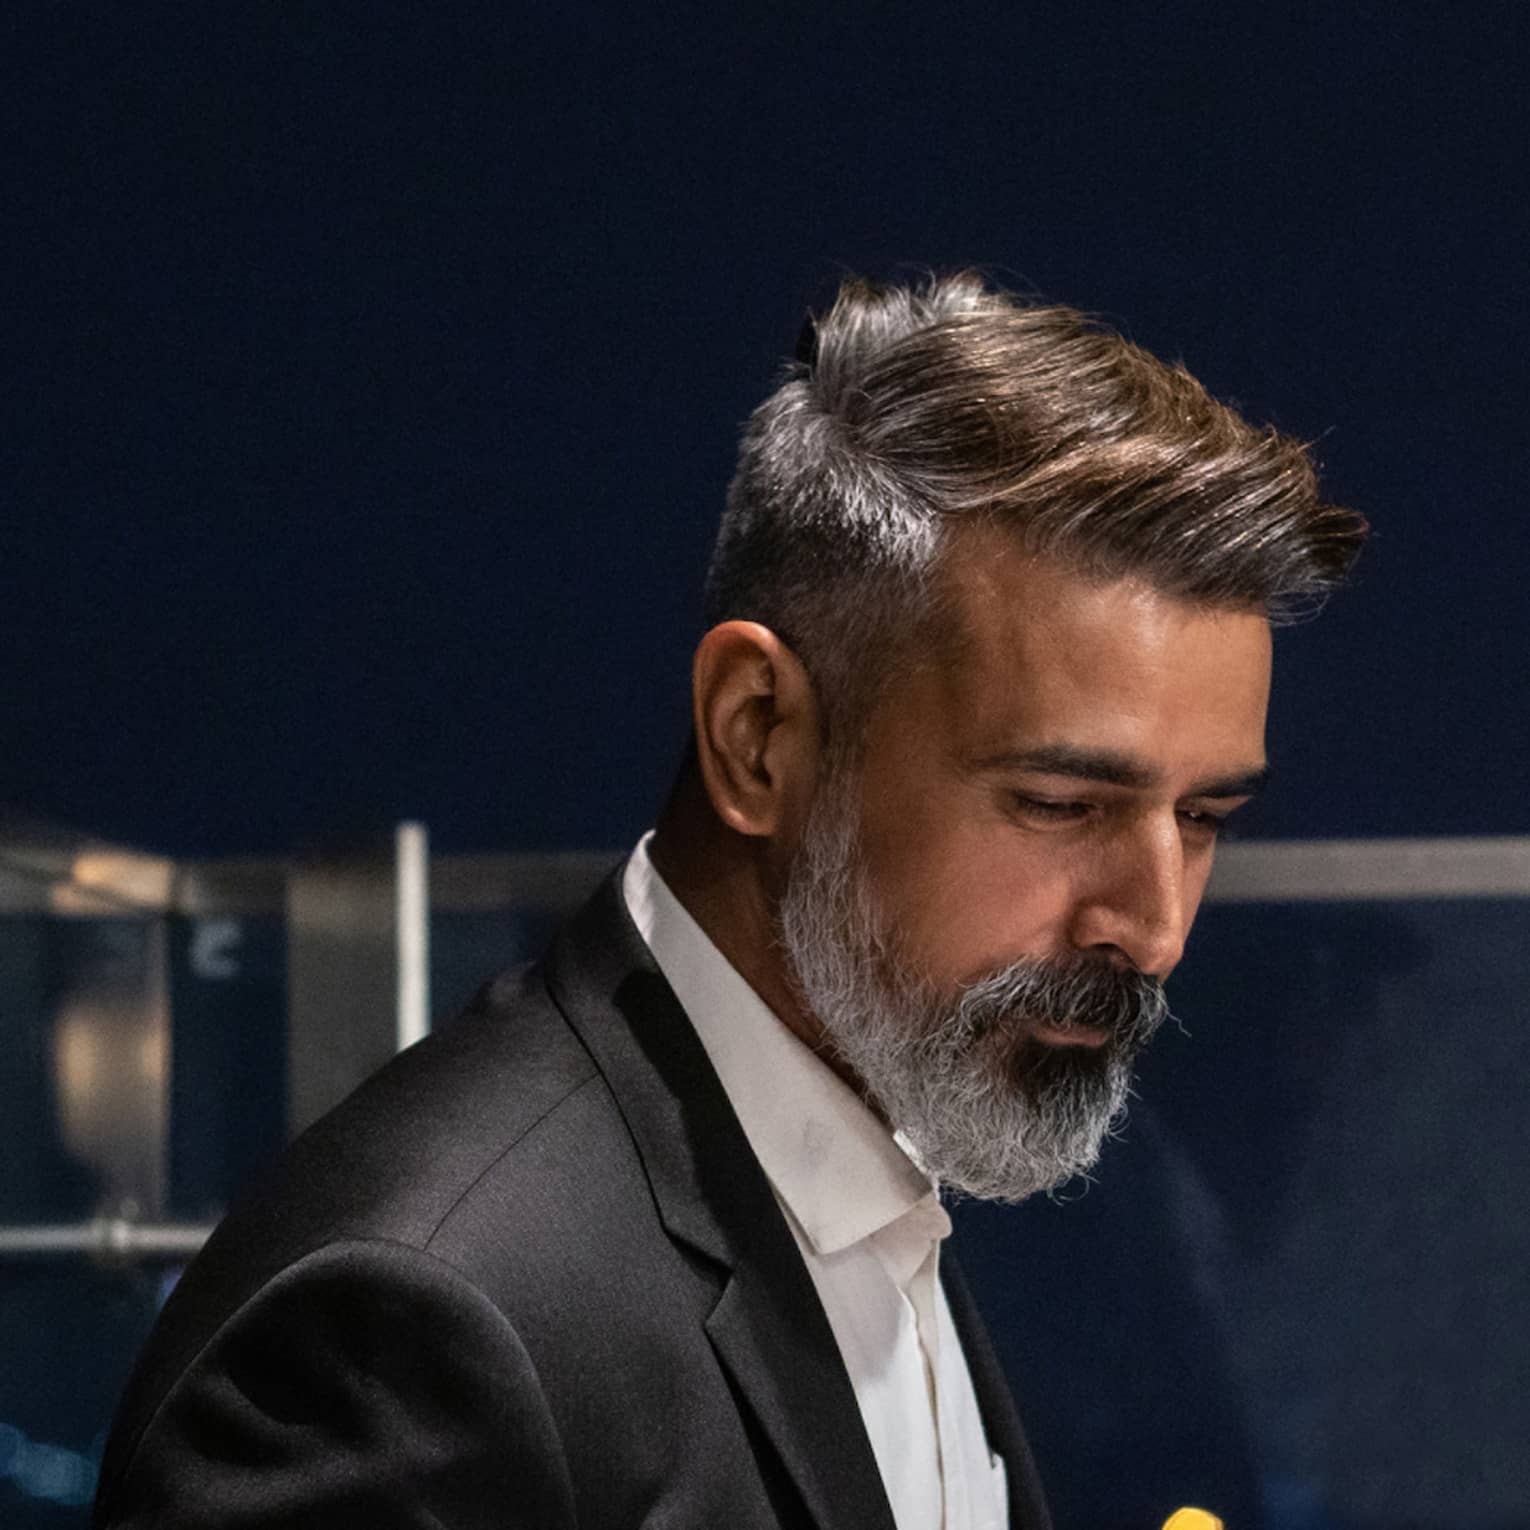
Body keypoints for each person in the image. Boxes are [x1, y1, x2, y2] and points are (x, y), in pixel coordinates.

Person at [92, 272, 1366, 1530]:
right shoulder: (412, 1324)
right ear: (757, 737)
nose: (1153, 928)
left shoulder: (867, 1170)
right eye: (1059, 803)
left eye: (1204, 819)